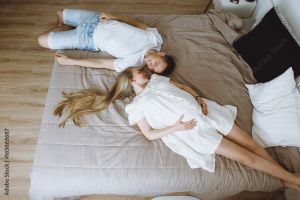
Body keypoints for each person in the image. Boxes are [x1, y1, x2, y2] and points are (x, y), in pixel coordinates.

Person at [53, 67, 300, 191]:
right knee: (246, 157)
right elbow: (149, 134)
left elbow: (183, 86)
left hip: (208, 113)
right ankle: (290, 179)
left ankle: (288, 180)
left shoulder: (158, 81)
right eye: (141, 72)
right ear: (130, 80)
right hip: (192, 130)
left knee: (250, 143)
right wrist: (175, 127)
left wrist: (200, 99)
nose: (146, 71)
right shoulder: (136, 107)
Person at [38, 9, 175, 75]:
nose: (149, 65)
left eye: (152, 68)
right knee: (60, 13)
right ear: (162, 54)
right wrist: (115, 16)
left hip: (88, 39)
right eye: (156, 63)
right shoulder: (156, 39)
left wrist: (70, 61)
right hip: (98, 20)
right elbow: (138, 24)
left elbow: (101, 63)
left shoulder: (133, 63)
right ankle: (65, 28)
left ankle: (68, 30)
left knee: (42, 40)